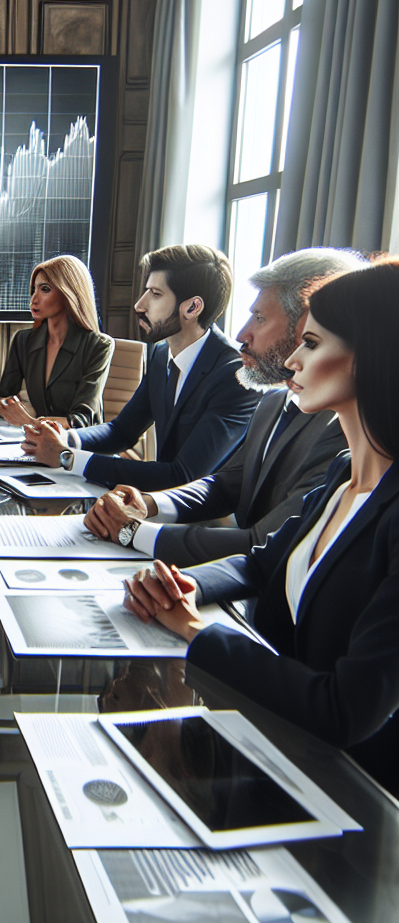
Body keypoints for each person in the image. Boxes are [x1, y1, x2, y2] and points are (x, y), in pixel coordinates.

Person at [123, 258, 399, 794]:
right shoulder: (346, 474)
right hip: (280, 744)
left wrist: (196, 629)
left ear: (373, 358)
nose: (293, 359)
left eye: (313, 344)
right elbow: (262, 558)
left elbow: (345, 709)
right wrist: (183, 586)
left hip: (356, 794)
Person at [85, 249, 363, 563]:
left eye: (259, 318)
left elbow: (262, 543)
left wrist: (134, 531)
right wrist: (148, 504)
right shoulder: (272, 401)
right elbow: (225, 484)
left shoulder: (346, 435)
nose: (243, 334)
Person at [22, 244, 259, 490]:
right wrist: (65, 438)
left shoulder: (236, 376)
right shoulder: (161, 353)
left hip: (204, 520)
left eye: (155, 294)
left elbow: (182, 476)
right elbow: (121, 431)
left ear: (192, 308)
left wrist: (66, 458)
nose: (139, 305)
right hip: (153, 501)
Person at [0, 254, 113, 429]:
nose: (34, 299)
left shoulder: (99, 345)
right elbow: (2, 397)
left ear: (69, 293)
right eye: (34, 289)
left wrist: (30, 422)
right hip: (40, 441)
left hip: (80, 444)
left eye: (45, 289)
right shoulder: (23, 341)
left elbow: (83, 420)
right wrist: (3, 404)